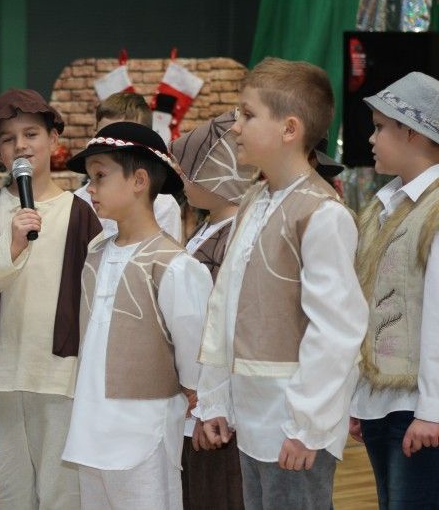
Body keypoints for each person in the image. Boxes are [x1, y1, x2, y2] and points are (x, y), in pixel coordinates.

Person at [195, 58, 368, 510]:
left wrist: (307, 425)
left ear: (290, 128)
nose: (236, 127)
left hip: (292, 422)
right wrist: (215, 397)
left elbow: (336, 329)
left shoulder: (321, 214)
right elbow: (226, 304)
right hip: (252, 412)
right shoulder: (255, 200)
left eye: (248, 115)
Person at [0, 88, 102, 509]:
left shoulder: (82, 213)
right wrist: (11, 246)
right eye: (8, 139)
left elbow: (94, 299)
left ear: (54, 139)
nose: (21, 145)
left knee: (61, 489)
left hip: (60, 373)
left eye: (31, 134)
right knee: (11, 487)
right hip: (3, 372)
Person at [62, 122, 212, 509]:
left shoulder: (173, 265)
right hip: (91, 428)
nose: (90, 188)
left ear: (139, 181)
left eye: (100, 176)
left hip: (144, 432)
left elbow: (195, 353)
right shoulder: (96, 254)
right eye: (89, 178)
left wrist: (198, 399)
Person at [350, 71, 439, 508]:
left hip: (418, 407)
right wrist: (358, 397)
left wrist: (432, 410)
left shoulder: (435, 210)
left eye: (381, 127)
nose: (372, 139)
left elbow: (437, 313)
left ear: (413, 131)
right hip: (381, 402)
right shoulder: (384, 208)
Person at [170, 110, 258, 509]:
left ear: (219, 173)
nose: (183, 181)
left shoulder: (235, 234)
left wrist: (209, 399)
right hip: (195, 398)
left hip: (216, 405)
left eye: (190, 172)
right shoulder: (207, 229)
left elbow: (226, 323)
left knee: (220, 493)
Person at [74, 92, 183, 241]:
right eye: (104, 136)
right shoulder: (80, 202)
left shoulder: (164, 205)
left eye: (123, 140)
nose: (110, 150)